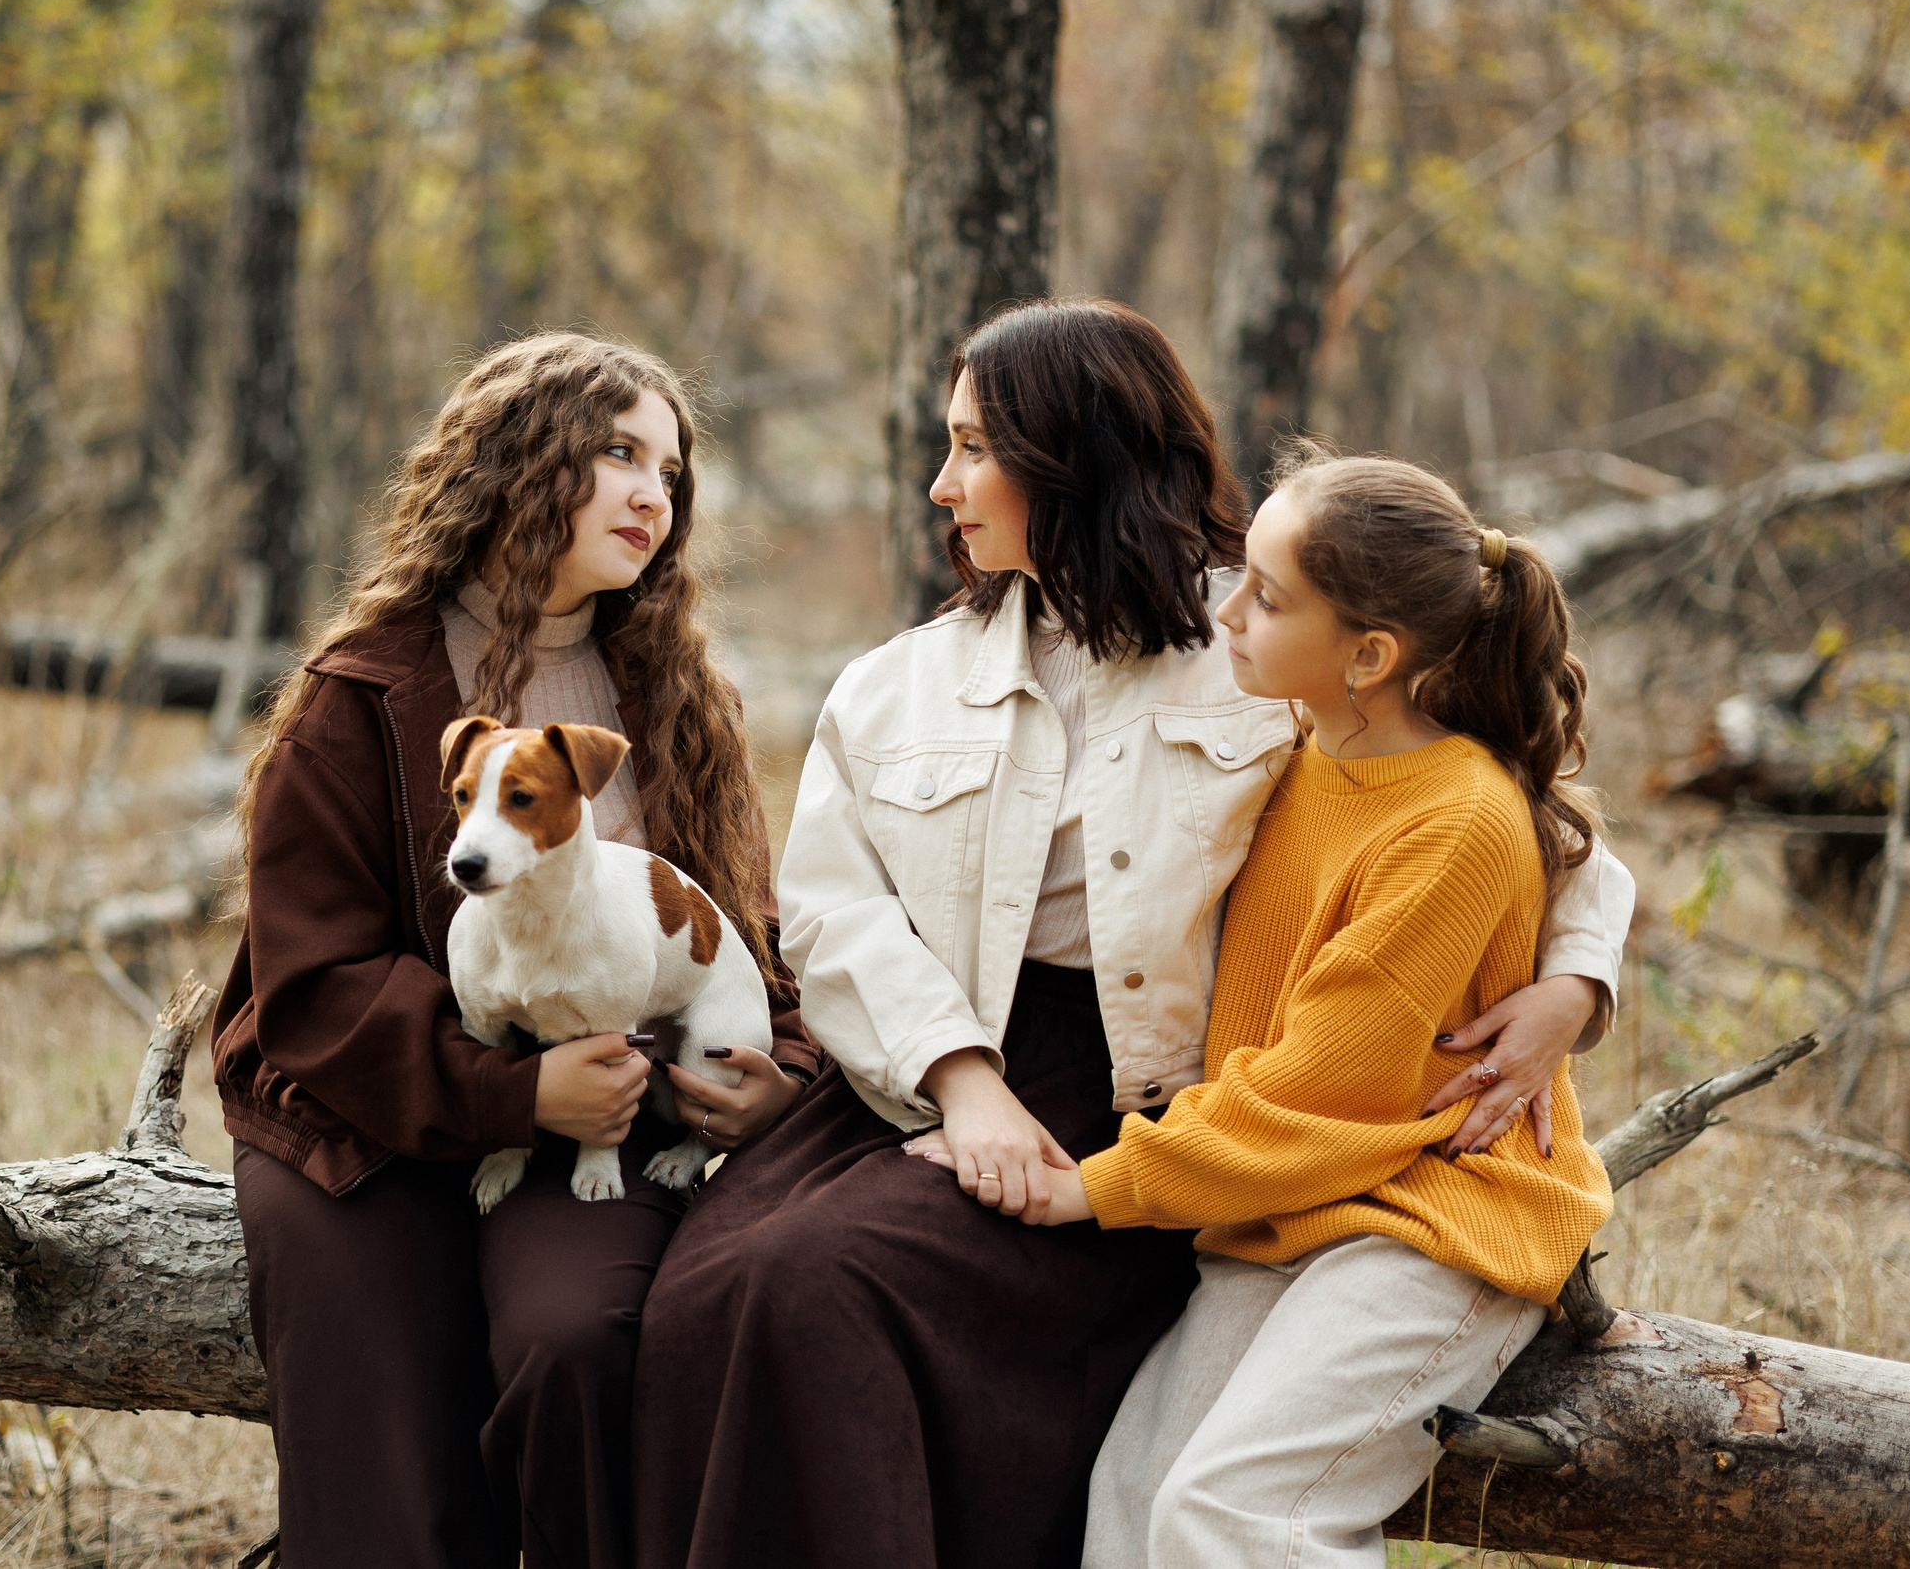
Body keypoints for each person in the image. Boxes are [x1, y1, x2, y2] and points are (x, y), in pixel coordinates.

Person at [631, 300, 1633, 1569]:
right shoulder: (899, 684)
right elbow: (831, 913)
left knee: (818, 1290)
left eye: (972, 451)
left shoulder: (1268, 637)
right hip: (928, 1061)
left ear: (1075, 461)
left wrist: (1573, 987)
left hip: (1142, 1098)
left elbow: (1516, 826)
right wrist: (959, 1079)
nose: (941, 486)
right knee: (698, 1294)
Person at [922, 451, 1613, 1568]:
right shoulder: (1284, 746)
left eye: (1267, 598)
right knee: (1133, 1497)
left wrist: (1088, 1188)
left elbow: (1317, 1090)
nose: (1225, 612)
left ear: (1370, 656)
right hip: (1288, 1211)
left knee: (1233, 1516)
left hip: (1438, 1217)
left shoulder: (1456, 818)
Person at [211, 332, 818, 1569]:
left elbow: (739, 936)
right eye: (617, 454)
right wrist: (509, 1089)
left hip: (601, 1102)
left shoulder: (677, 699)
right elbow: (312, 983)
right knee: (386, 1383)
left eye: (670, 468)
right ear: (517, 466)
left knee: (577, 1338)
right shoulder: (359, 695)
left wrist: (780, 1070)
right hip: (362, 1100)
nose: (655, 493)